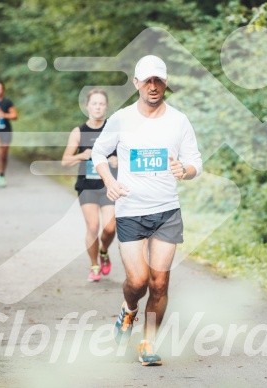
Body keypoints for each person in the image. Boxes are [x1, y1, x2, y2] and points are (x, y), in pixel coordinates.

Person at [91, 55, 202, 366]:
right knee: (138, 282)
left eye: (159, 80)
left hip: (167, 211)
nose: (153, 86)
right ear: (136, 83)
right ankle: (128, 311)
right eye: (147, 80)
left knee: (159, 282)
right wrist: (109, 180)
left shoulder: (178, 120)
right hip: (130, 210)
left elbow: (196, 162)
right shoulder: (121, 119)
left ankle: (147, 342)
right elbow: (99, 152)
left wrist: (186, 170)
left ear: (165, 83)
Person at [62, 88, 117, 282]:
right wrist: (80, 155)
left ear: (106, 106)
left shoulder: (113, 129)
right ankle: (94, 266)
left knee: (110, 228)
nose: (98, 107)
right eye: (94, 103)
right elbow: (65, 161)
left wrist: (116, 161)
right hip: (87, 186)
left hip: (109, 185)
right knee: (93, 226)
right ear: (87, 106)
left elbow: (127, 156)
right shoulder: (79, 132)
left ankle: (103, 251)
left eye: (101, 103)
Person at [0, 81, 18, 188]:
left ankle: (2, 175)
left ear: (3, 90)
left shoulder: (7, 102)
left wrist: (2, 115)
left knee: (4, 154)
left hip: (5, 130)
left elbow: (15, 115)